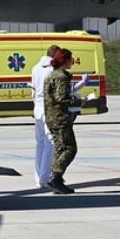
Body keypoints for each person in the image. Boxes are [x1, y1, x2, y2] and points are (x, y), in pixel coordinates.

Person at [44, 48, 81, 194]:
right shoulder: (61, 77)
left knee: (60, 149)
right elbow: (61, 98)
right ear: (65, 61)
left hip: (52, 117)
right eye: (70, 59)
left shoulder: (52, 75)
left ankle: (57, 181)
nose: (72, 61)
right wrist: (77, 101)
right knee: (70, 149)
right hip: (60, 118)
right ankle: (56, 176)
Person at [30, 45, 60, 188]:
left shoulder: (35, 68)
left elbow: (34, 90)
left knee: (40, 144)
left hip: (37, 108)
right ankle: (44, 177)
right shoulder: (52, 70)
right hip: (48, 108)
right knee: (51, 143)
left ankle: (38, 176)